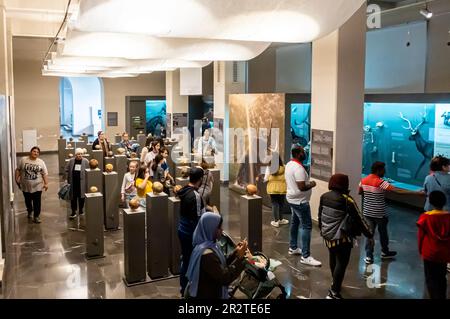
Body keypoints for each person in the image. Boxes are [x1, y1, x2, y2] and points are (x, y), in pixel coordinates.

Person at [319, 174, 373, 299]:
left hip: (328, 236)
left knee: (333, 259)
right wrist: (369, 234)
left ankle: (335, 282)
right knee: (341, 263)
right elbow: (360, 219)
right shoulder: (347, 200)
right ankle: (334, 292)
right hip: (342, 238)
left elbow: (320, 215)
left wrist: (323, 231)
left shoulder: (324, 196)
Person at [359, 161, 420, 264]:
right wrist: (416, 193)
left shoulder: (363, 180)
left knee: (369, 235)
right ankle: (385, 252)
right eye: (383, 169)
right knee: (383, 233)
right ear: (378, 170)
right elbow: (397, 191)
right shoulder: (380, 182)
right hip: (379, 213)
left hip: (367, 212)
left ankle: (369, 256)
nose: (384, 171)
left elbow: (360, 192)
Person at [185, 213, 247, 299]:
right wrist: (239, 259)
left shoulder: (205, 244)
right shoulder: (206, 255)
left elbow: (220, 263)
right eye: (219, 227)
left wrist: (235, 252)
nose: (222, 230)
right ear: (210, 229)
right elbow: (225, 278)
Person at [285, 145, 321, 266]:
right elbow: (301, 187)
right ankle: (306, 256)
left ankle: (293, 247)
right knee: (307, 226)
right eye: (303, 151)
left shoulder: (289, 164)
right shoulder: (298, 169)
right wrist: (312, 183)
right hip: (300, 202)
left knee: (295, 223)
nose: (305, 153)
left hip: (292, 199)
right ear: (298, 154)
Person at [176, 167, 207, 296]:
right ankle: (189, 289)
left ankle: (184, 287)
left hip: (182, 228)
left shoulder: (183, 190)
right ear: (200, 179)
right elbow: (198, 218)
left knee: (186, 259)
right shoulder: (195, 195)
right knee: (191, 260)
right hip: (190, 232)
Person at [417, 191, 450, 299]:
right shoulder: (448, 217)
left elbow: (420, 236)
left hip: (429, 253)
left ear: (430, 202)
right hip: (444, 253)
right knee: (441, 277)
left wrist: (420, 250)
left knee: (430, 278)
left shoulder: (425, 217)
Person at [15, 146, 49, 224]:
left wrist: (46, 183)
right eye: (34, 151)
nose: (35, 153)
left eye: (37, 152)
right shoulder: (23, 160)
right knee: (28, 201)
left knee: (37, 202)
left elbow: (44, 174)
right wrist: (16, 179)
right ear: (31, 152)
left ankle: (36, 216)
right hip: (25, 186)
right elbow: (18, 170)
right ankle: (29, 211)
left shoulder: (41, 162)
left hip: (37, 186)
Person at [263, 155, 289, 228]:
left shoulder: (269, 168)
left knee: (274, 204)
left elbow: (266, 178)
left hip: (272, 188)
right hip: (282, 188)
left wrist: (265, 180)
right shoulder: (284, 167)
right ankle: (281, 219)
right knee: (281, 204)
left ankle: (276, 221)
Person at [65, 148, 90, 219]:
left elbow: (89, 171)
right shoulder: (71, 161)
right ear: (76, 154)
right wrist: (67, 178)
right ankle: (73, 211)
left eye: (81, 154)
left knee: (81, 197)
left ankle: (81, 210)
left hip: (82, 183)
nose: (80, 155)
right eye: (78, 154)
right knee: (73, 198)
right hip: (73, 183)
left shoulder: (85, 161)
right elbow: (66, 170)